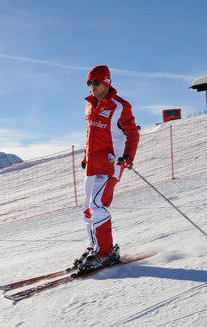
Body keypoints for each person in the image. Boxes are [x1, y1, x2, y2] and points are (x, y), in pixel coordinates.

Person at [75, 65, 140, 271]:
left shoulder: (121, 106)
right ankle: (95, 247)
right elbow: (90, 135)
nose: (92, 87)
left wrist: (128, 156)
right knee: (87, 208)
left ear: (106, 82)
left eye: (96, 82)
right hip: (92, 165)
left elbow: (133, 134)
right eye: (89, 83)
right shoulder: (88, 106)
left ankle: (106, 252)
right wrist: (86, 157)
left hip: (111, 164)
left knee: (97, 205)